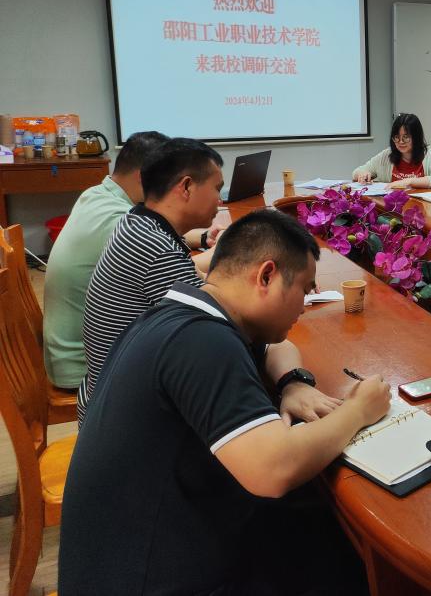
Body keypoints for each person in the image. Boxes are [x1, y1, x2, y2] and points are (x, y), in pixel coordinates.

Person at [59, 209, 392, 595]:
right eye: (304, 288)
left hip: (143, 547)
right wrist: (358, 410)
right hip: (153, 577)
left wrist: (293, 383)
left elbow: (278, 347)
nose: (304, 305)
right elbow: (273, 470)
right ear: (266, 276)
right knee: (348, 560)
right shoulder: (203, 343)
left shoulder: (188, 312)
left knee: (320, 527)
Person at [77, 137, 224, 423]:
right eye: (217, 188)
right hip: (120, 419)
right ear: (186, 186)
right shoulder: (157, 249)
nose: (219, 199)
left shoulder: (137, 222)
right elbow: (218, 329)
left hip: (107, 395)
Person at [41, 131, 168, 391]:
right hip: (86, 368)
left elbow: (157, 234)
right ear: (144, 176)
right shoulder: (119, 219)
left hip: (66, 354)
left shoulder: (96, 195)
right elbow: (171, 271)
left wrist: (201, 237)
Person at [352, 113, 431, 189]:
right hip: (394, 204)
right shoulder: (386, 155)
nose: (400, 142)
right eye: (397, 137)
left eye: (406, 137)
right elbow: (356, 172)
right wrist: (362, 174)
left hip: (421, 204)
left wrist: (409, 182)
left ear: (416, 137)